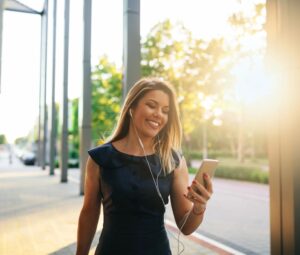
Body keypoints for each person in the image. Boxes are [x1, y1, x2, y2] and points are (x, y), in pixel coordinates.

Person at [76, 77, 213, 255]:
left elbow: (186, 227)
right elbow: (88, 214)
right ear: (132, 108)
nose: (159, 114)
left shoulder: (173, 161)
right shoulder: (100, 158)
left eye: (165, 110)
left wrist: (199, 207)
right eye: (151, 105)